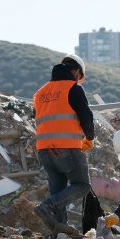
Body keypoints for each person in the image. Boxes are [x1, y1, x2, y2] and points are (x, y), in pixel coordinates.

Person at [33, 54, 98, 229]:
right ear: (77, 71)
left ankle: (60, 232)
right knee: (82, 185)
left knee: (58, 191)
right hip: (66, 147)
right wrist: (90, 138)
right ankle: (48, 206)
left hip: (44, 150)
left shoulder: (40, 93)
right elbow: (86, 118)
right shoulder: (73, 88)